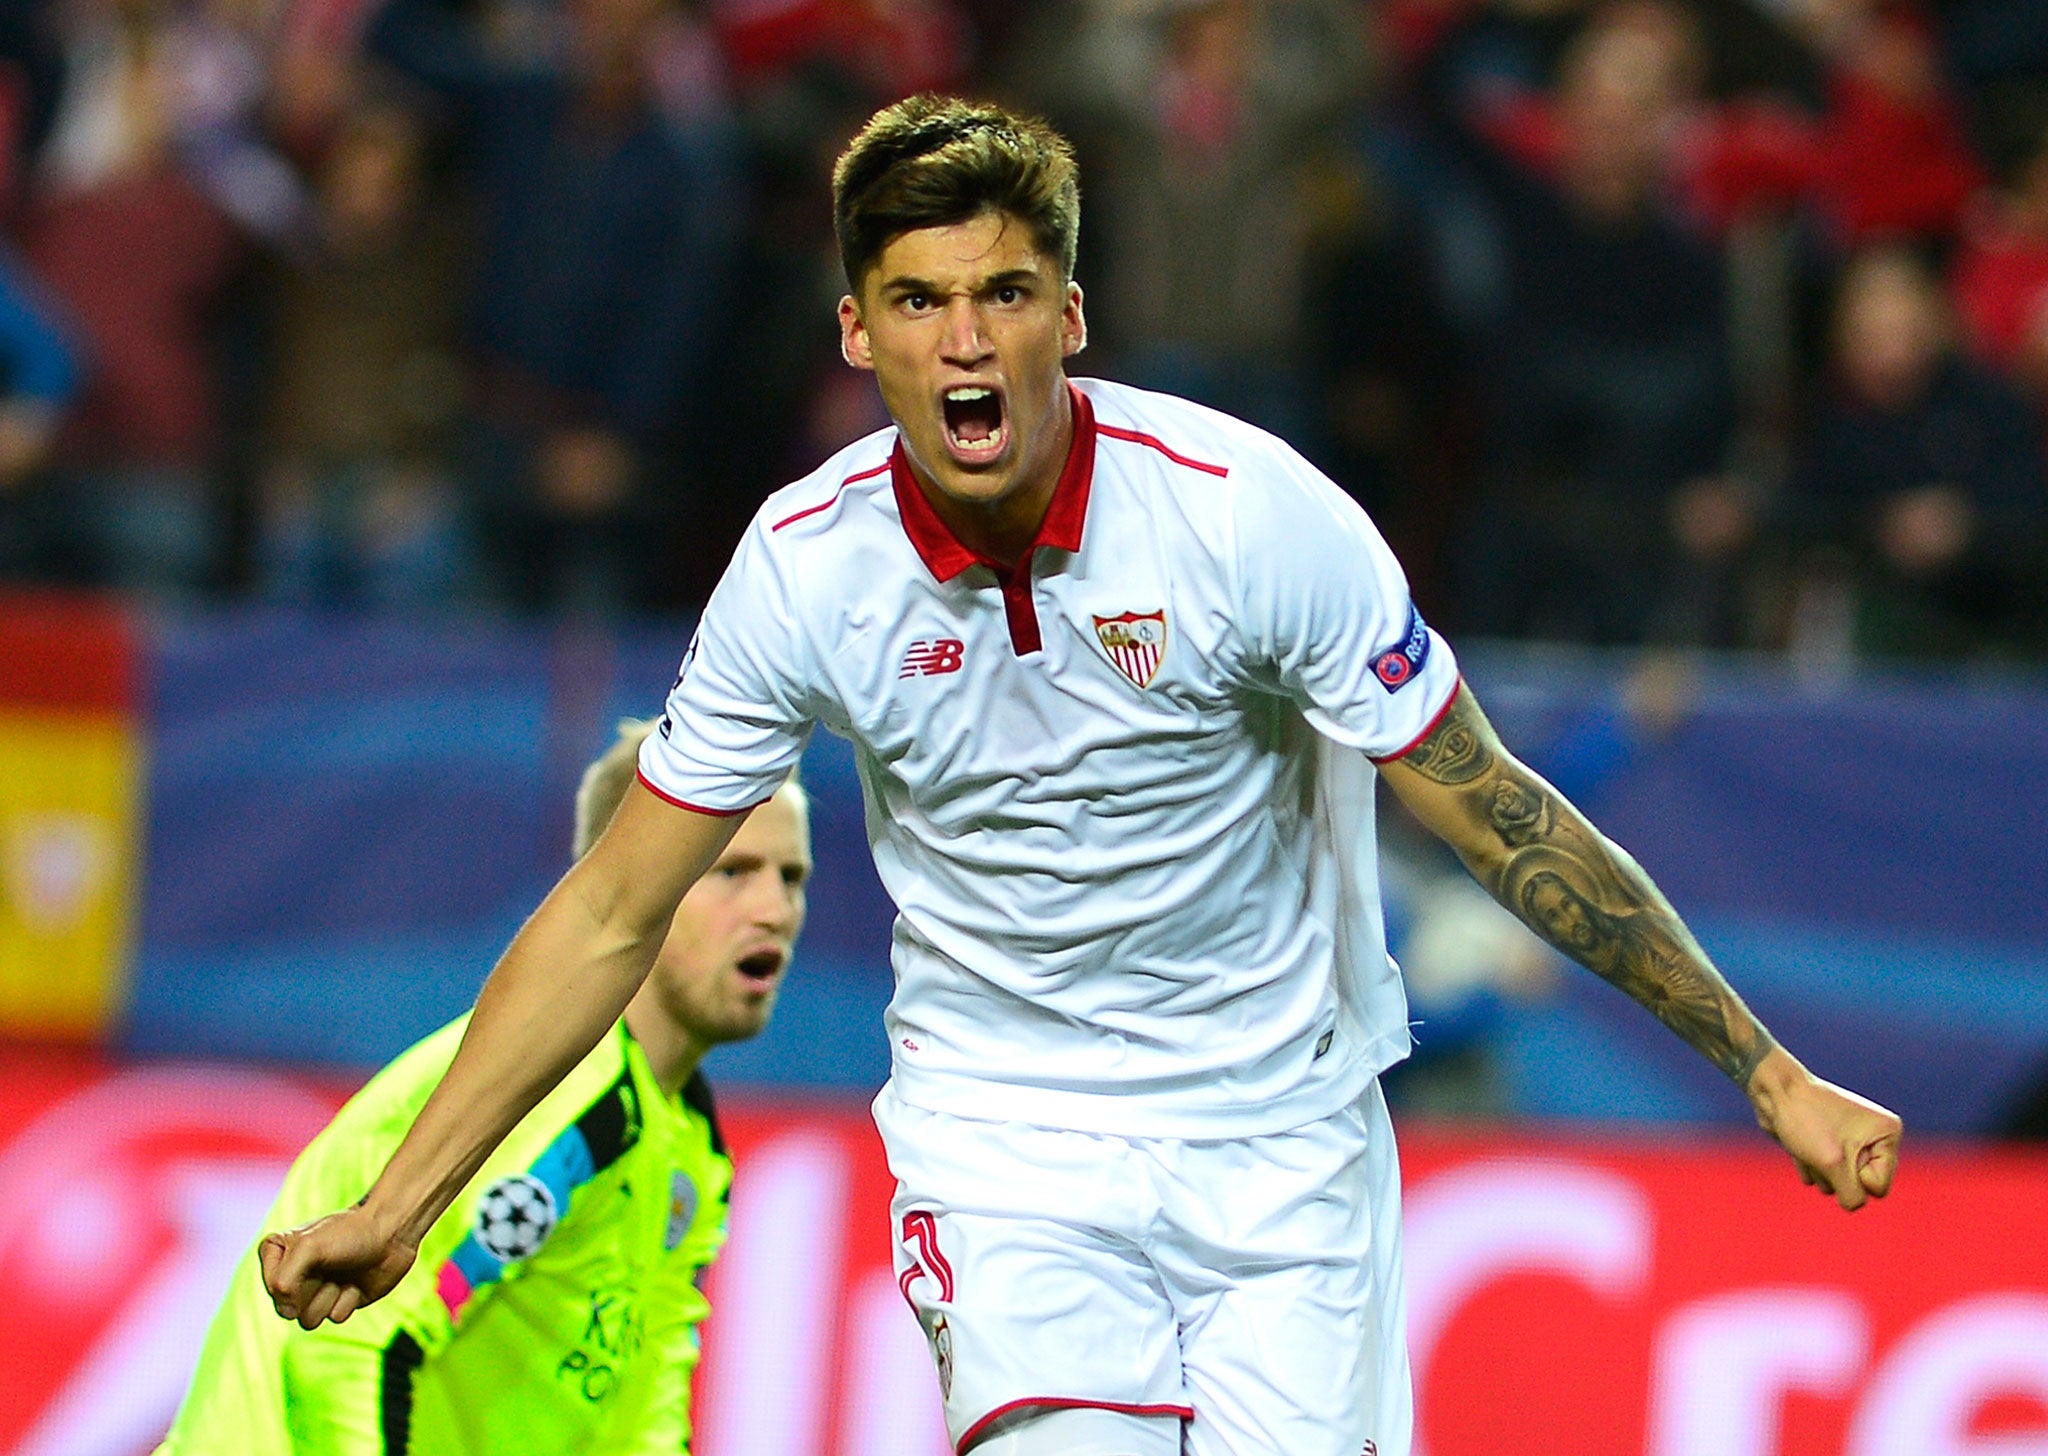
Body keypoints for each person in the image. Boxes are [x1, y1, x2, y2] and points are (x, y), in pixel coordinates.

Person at [263, 96, 1902, 1456]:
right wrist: (407, 1206)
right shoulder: (804, 571)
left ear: (1071, 315)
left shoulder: (1245, 518)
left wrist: (1759, 1070)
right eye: (916, 300)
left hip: (1283, 1139)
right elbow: (619, 903)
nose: (963, 343)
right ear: (855, 330)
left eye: (1001, 293)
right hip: (1009, 1143)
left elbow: (1491, 805)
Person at [159, 722, 810, 1455]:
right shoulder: (570, 1094)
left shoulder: (689, 1148)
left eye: (792, 878)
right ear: (643, 886)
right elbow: (349, 1350)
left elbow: (645, 1411)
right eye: (734, 871)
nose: (774, 911)